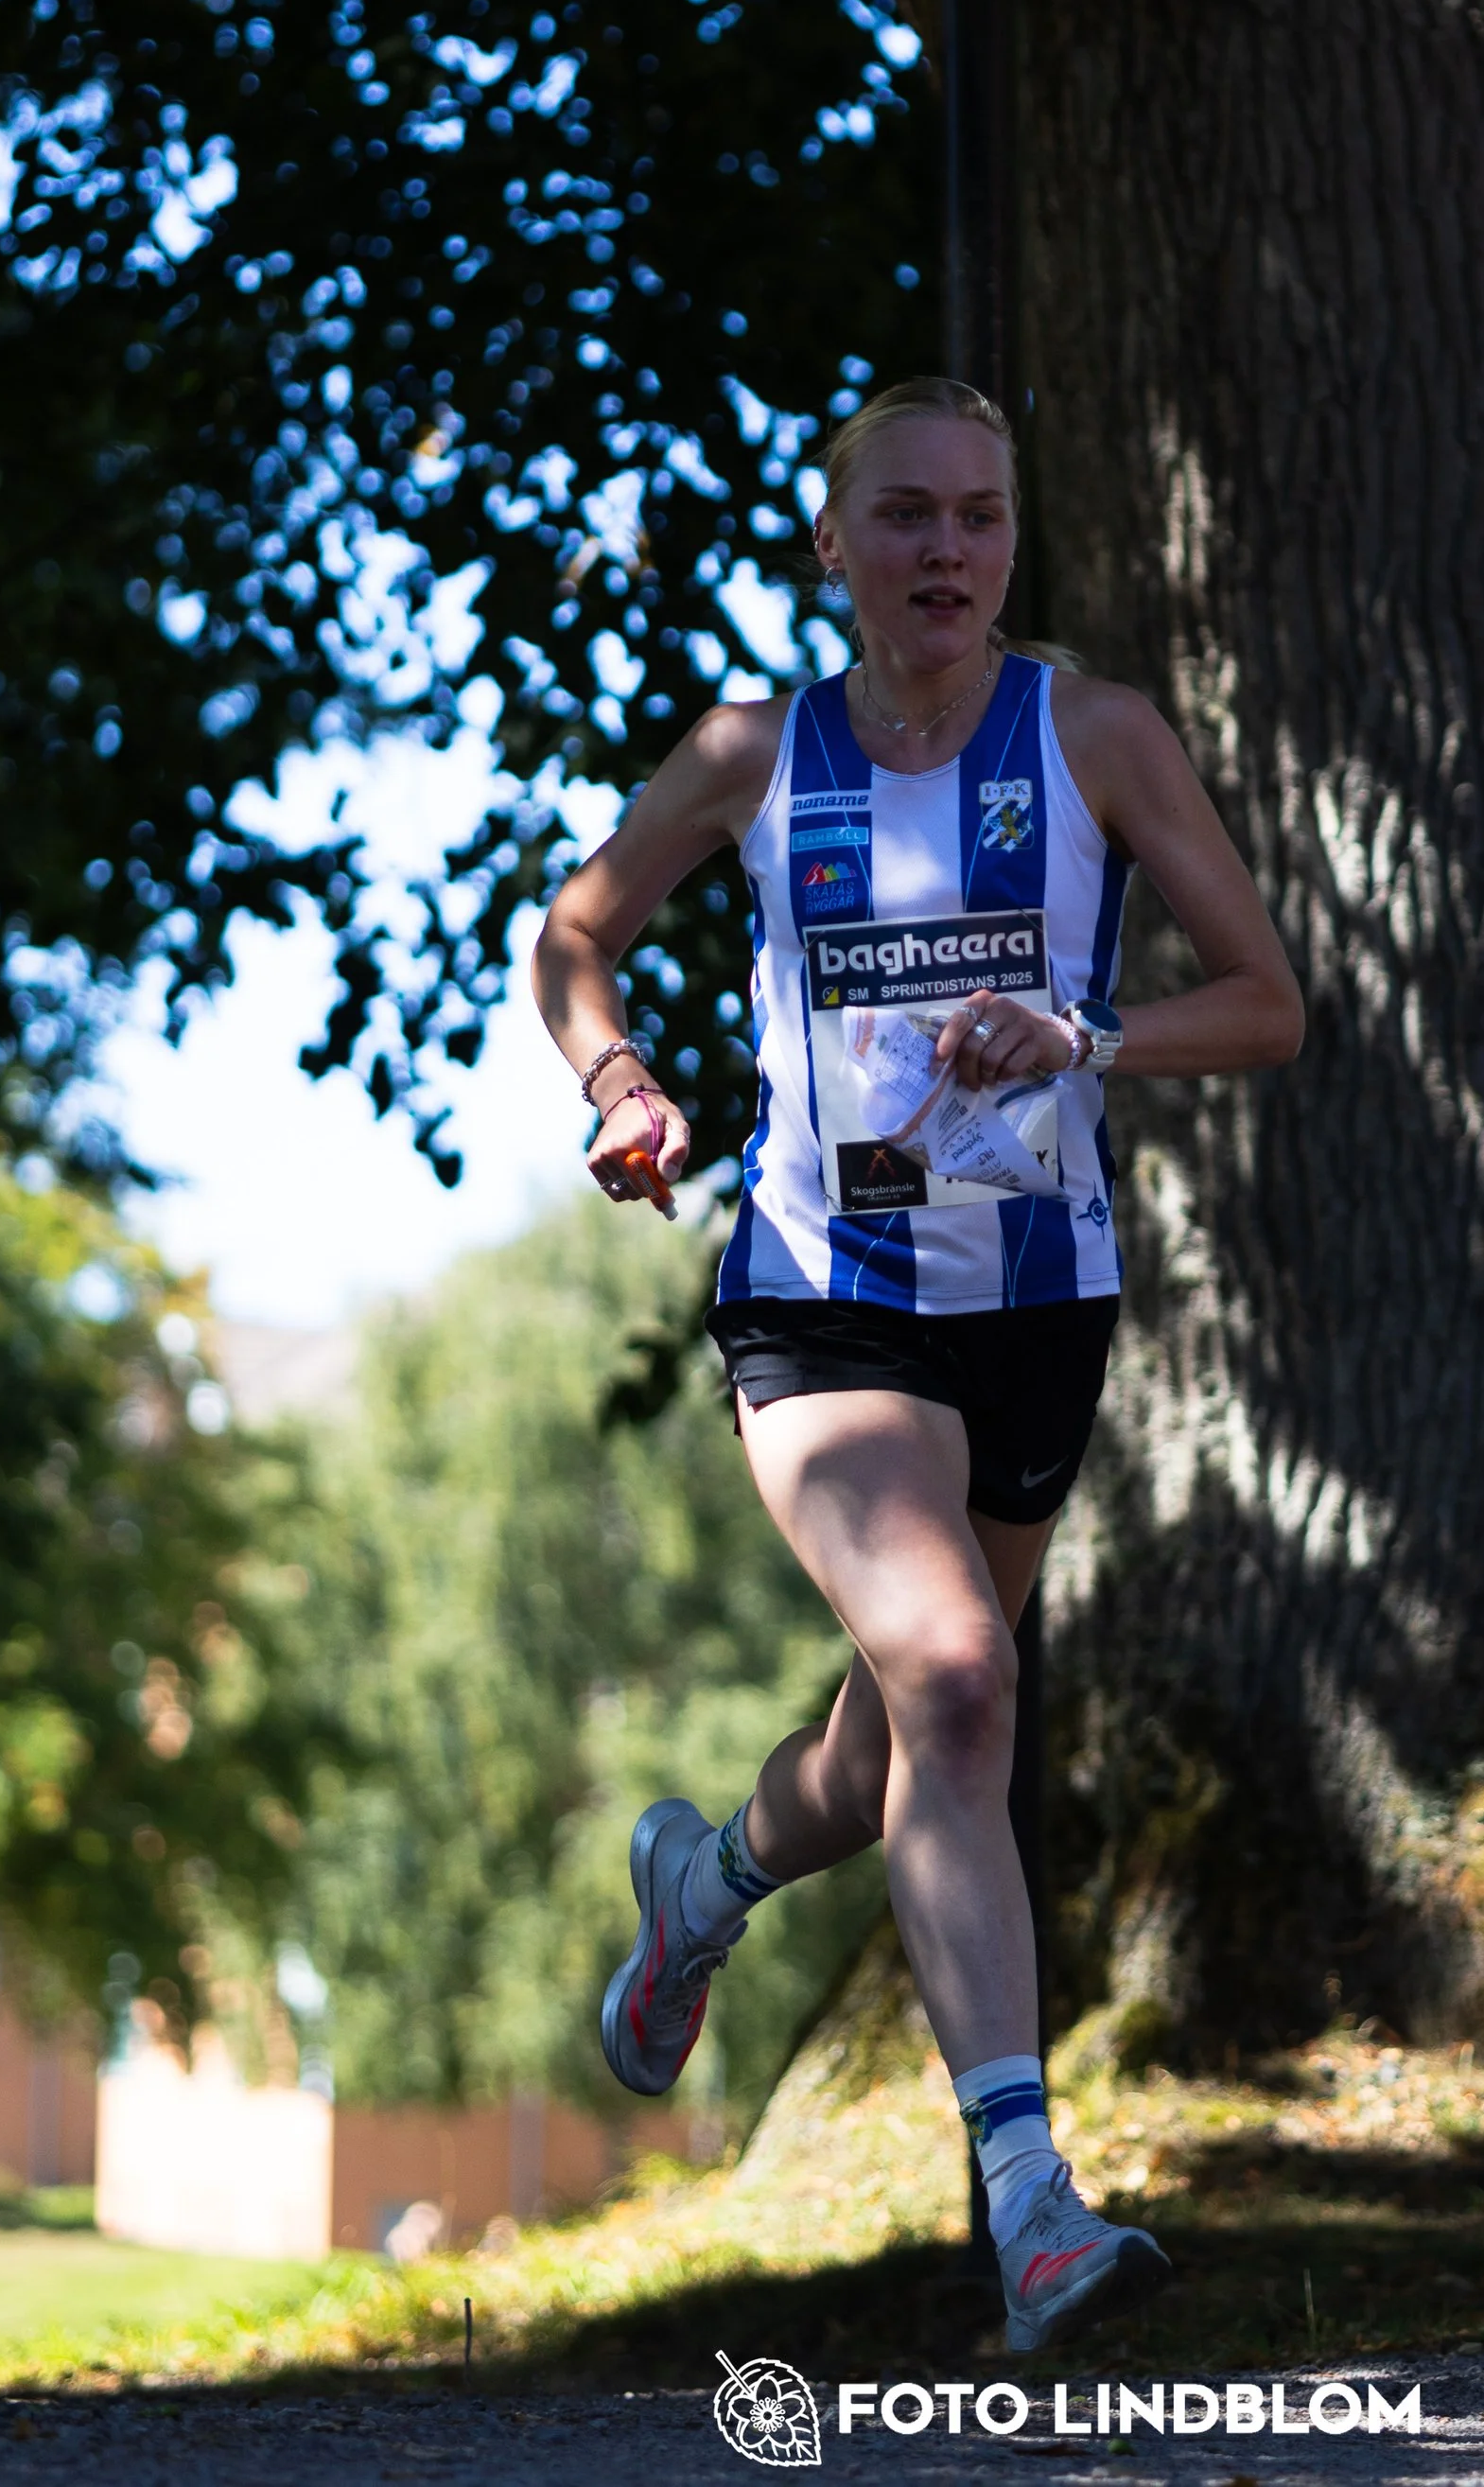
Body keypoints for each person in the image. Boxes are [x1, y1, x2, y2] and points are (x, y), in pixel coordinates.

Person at [531, 377, 1304, 2351]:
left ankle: (704, 1880)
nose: (941, 552)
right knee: (963, 1676)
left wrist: (1086, 1035)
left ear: (1008, 549)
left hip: (1039, 1301)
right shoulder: (749, 751)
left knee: (901, 1740)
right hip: (823, 1292)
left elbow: (1268, 1000)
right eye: (901, 516)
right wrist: (615, 1074)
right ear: (834, 542)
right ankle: (1031, 2200)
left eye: (975, 519)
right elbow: (573, 931)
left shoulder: (1097, 738)